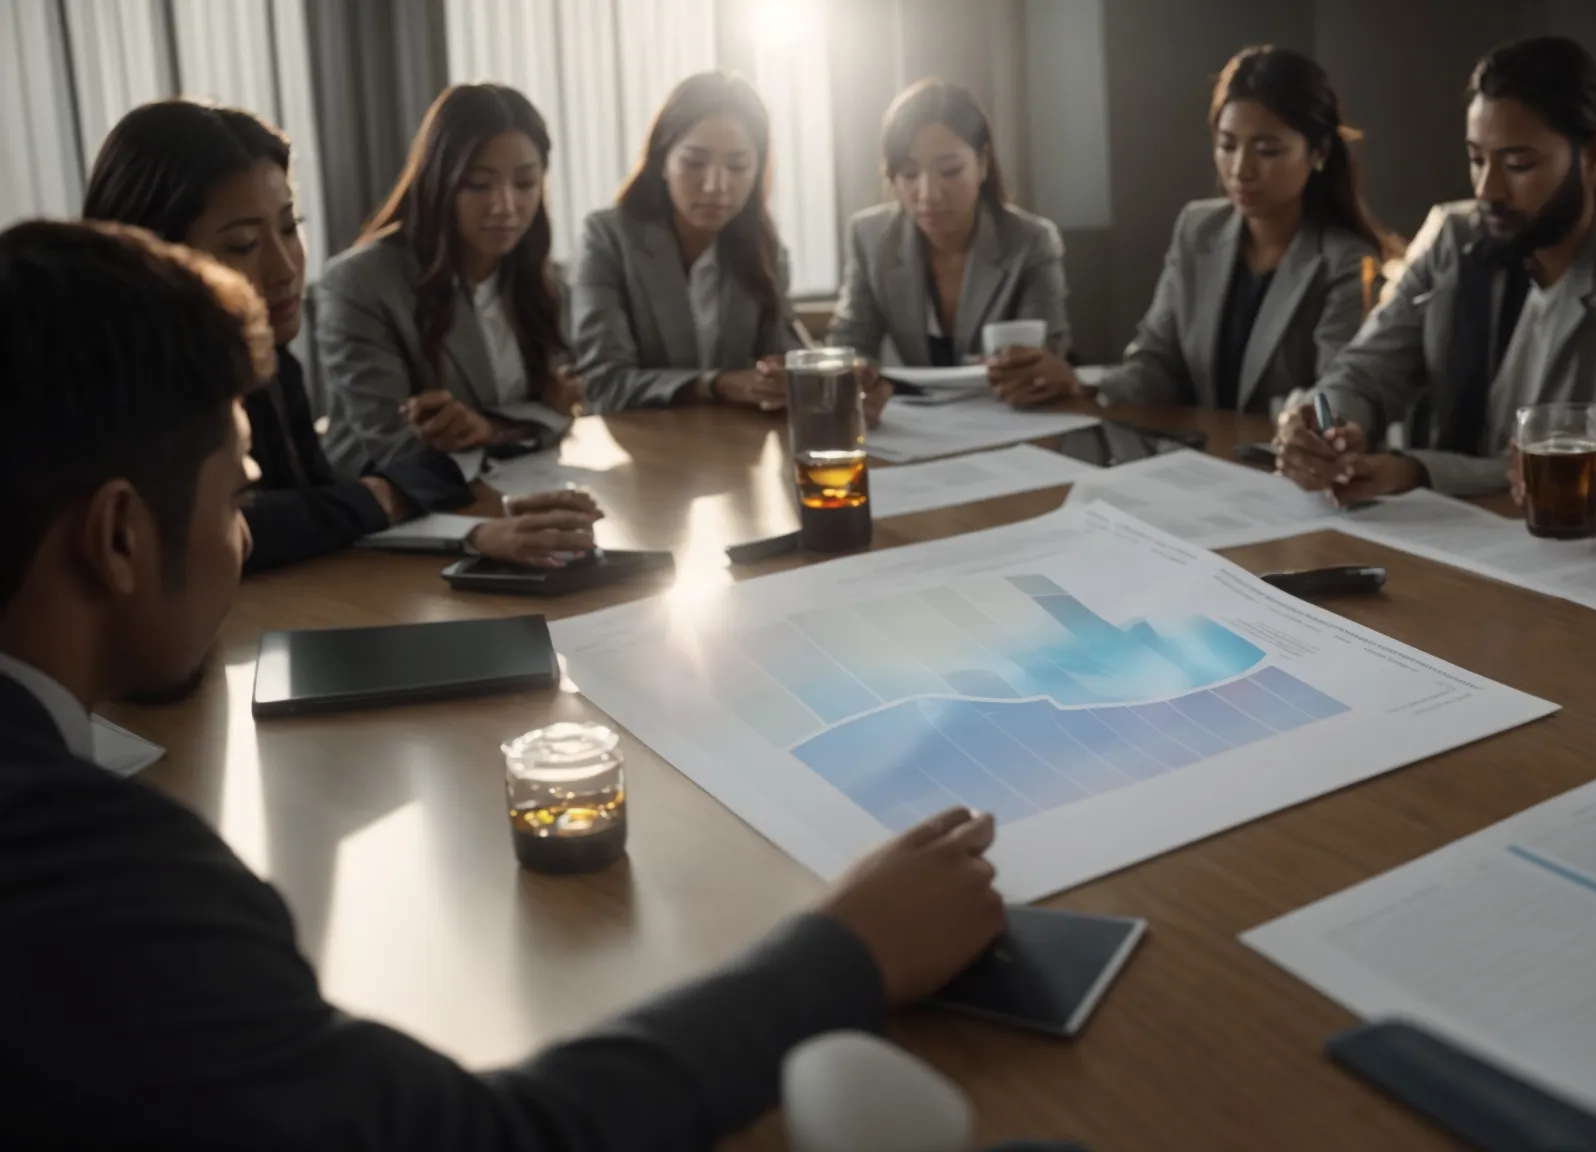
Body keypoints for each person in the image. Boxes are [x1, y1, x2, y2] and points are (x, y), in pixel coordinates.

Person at [0, 219, 1006, 1147]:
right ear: (121, 537)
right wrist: (843, 952)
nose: (244, 537)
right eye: (235, 502)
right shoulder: (90, 875)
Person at [1277, 37, 1596, 501]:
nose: (1488, 190)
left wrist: (1421, 472)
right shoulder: (1453, 237)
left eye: (1518, 164)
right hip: (1450, 538)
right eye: (1476, 159)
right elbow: (1364, 374)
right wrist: (1325, 425)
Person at [79, 99, 475, 572]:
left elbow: (313, 502)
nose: (285, 269)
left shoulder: (270, 358)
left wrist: (474, 534)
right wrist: (389, 494)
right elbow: (217, 530)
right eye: (243, 244)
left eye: (289, 228)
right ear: (157, 255)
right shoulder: (117, 391)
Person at [318, 84, 594, 561]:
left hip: (506, 503)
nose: (505, 206)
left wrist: (489, 430)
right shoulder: (361, 283)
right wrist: (525, 421)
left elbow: (559, 414)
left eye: (525, 184)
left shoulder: (538, 279)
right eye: (478, 183)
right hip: (393, 533)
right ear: (439, 181)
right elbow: (398, 451)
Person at [1087, 46, 1402, 417]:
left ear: (1318, 153)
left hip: (1285, 465)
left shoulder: (1347, 263)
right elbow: (1157, 362)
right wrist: (1082, 386)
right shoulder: (1198, 229)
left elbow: (1337, 399)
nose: (1241, 170)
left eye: (1267, 150)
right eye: (1227, 146)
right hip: (1195, 461)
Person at [574, 72, 818, 415]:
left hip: (735, 451)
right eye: (694, 163)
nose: (716, 186)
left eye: (737, 166)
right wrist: (715, 385)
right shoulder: (608, 238)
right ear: (662, 162)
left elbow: (785, 359)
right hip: (645, 451)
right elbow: (603, 384)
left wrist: (809, 379)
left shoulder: (763, 248)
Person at [828, 78, 1070, 407]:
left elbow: (1048, 354)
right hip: (912, 423)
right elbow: (849, 345)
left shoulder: (1031, 242)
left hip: (1005, 417)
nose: (929, 194)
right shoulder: (869, 237)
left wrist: (1036, 371)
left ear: (982, 163)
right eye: (909, 174)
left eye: (950, 170)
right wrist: (856, 381)